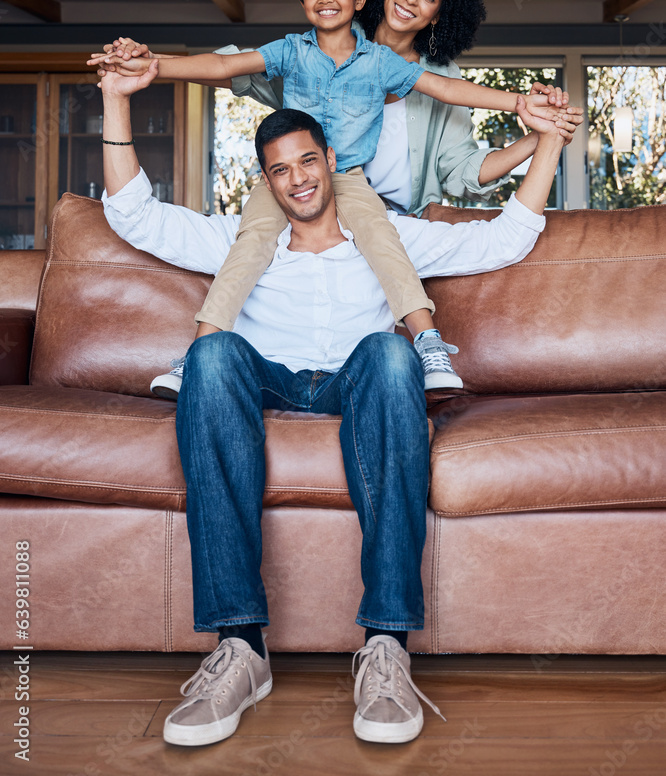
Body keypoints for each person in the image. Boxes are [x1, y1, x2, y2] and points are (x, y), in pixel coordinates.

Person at [100, 60, 569, 748]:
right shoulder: (241, 238)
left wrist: (550, 138)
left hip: (358, 377)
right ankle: (240, 647)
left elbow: (504, 238)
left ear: (331, 161)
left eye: (308, 160)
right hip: (269, 376)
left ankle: (385, 647)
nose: (298, 178)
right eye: (281, 169)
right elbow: (132, 215)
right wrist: (114, 99)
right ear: (268, 181)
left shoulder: (390, 236)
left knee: (389, 352)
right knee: (209, 355)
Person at [89, 0, 576, 396]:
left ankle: (428, 344)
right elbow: (226, 67)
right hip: (296, 203)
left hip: (361, 192)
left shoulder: (390, 66)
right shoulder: (296, 51)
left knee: (382, 238)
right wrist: (152, 65)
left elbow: (452, 115)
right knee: (252, 240)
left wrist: (525, 112)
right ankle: (197, 354)